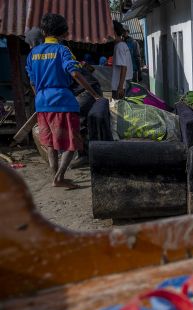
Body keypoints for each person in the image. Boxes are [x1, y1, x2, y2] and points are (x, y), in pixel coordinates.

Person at [25, 13, 102, 188]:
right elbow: (75, 73)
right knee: (73, 143)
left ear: (43, 31)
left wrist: (41, 98)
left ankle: (55, 175)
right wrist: (95, 94)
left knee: (50, 143)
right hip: (62, 101)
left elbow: (32, 82)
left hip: (42, 103)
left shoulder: (32, 54)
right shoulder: (62, 50)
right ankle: (59, 177)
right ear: (64, 33)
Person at [111, 21, 133, 99]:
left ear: (114, 31)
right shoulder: (122, 45)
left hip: (120, 87)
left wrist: (120, 87)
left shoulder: (119, 47)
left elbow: (124, 67)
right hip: (122, 85)